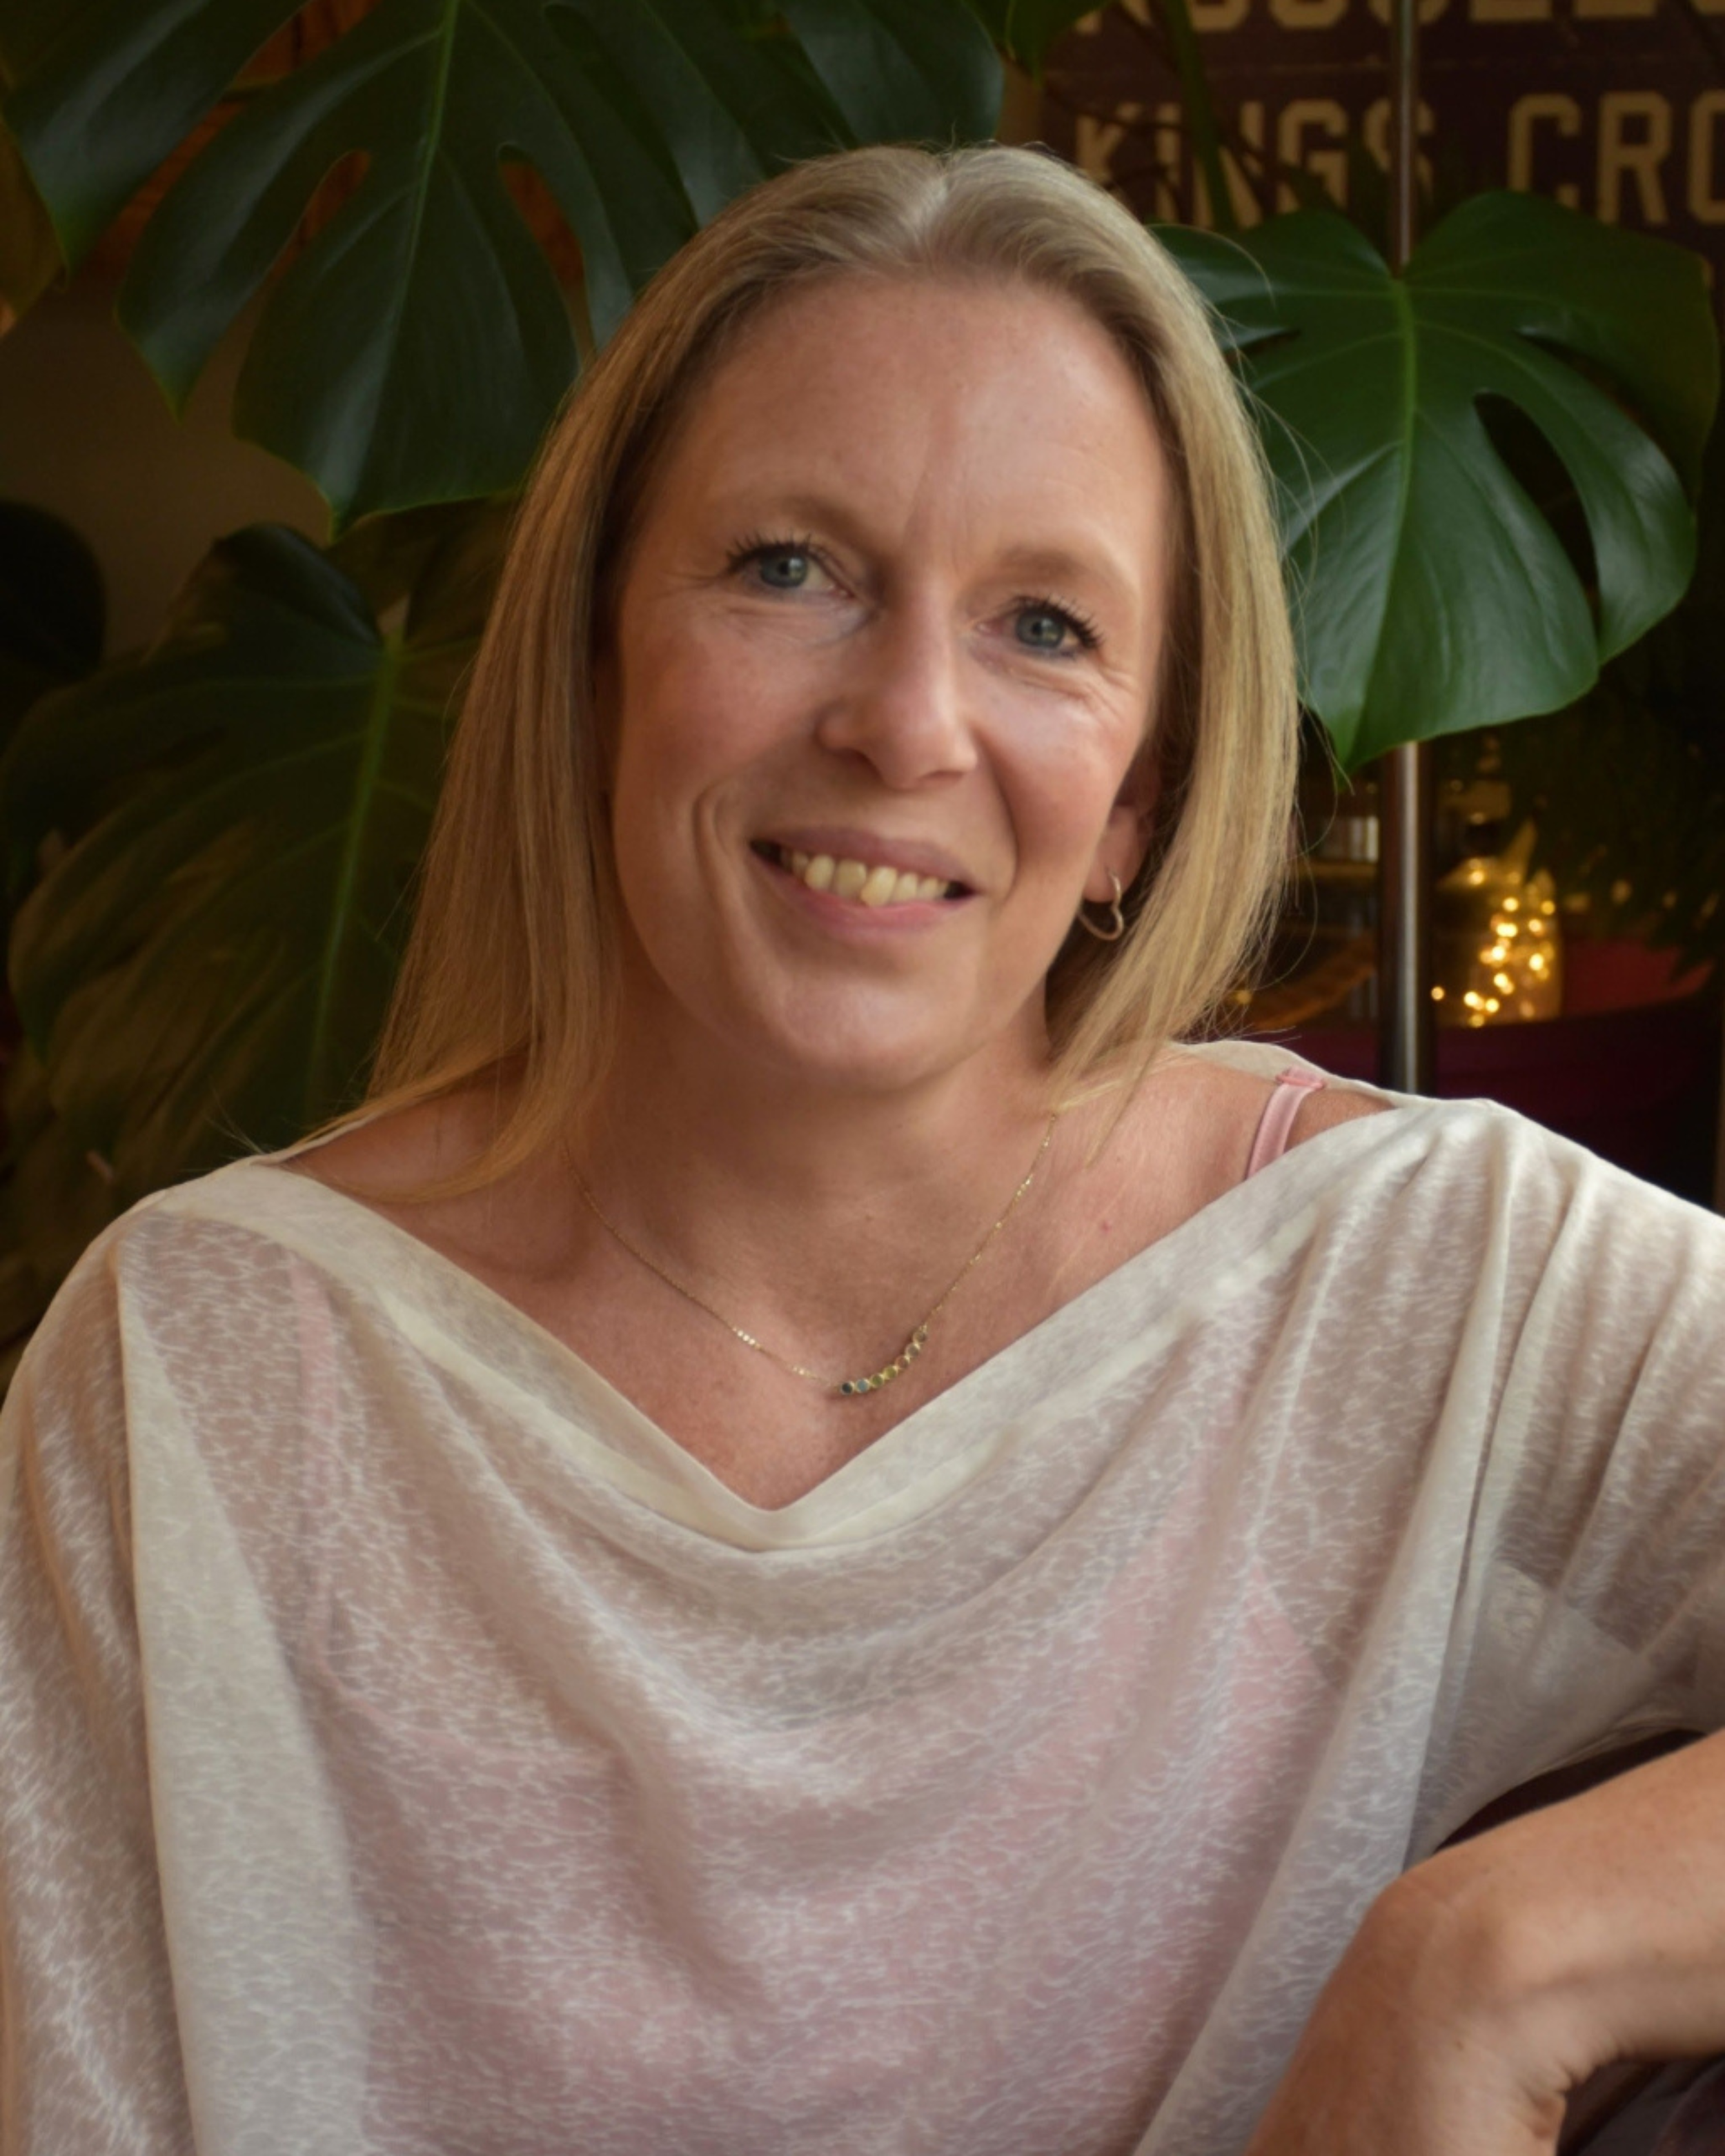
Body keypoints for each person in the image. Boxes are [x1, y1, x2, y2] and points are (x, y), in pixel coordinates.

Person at [2, 140, 1724, 2156]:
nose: (907, 724)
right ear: (593, 666)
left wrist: (1487, 1966)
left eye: (1046, 625)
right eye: (787, 570)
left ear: (1141, 798)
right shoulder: (196, 1372)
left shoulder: (1426, 1288)